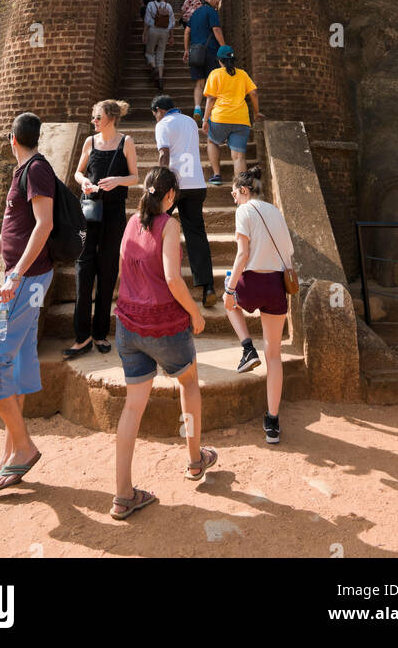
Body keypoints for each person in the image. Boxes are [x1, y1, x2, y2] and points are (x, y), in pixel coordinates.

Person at [111, 166, 216, 517]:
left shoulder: (131, 222)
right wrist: (196, 314)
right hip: (164, 326)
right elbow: (172, 278)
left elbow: (124, 267)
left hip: (128, 325)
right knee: (189, 385)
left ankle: (123, 494)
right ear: (170, 196)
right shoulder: (169, 225)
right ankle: (194, 459)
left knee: (132, 407)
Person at [0, 113, 55, 490]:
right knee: (14, 361)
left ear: (13, 140)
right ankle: (8, 456)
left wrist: (15, 274)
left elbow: (44, 224)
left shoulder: (35, 171)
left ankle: (24, 447)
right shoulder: (26, 171)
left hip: (26, 282)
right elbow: (13, 230)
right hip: (21, 279)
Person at [223, 166, 295, 445]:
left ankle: (246, 348)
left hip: (251, 282)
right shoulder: (275, 211)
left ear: (244, 190)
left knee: (227, 302)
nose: (232, 197)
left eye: (233, 192)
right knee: (274, 355)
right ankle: (273, 422)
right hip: (277, 285)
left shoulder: (244, 211)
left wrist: (231, 289)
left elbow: (243, 254)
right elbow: (288, 255)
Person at [64, 100, 138, 359]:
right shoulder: (89, 142)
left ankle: (100, 333)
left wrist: (117, 181)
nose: (93, 121)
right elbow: (77, 172)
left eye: (97, 117)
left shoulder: (125, 142)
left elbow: (135, 176)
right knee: (83, 270)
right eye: (93, 117)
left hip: (114, 214)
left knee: (107, 272)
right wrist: (84, 181)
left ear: (111, 118)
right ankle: (81, 337)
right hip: (89, 212)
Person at [153, 95, 216, 308]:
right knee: (196, 234)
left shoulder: (163, 124)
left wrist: (159, 183)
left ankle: (155, 278)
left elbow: (164, 154)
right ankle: (208, 286)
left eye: (155, 114)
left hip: (173, 185)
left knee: (157, 229)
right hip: (196, 183)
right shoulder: (190, 121)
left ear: (159, 110)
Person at [202, 44, 263, 184]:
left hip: (220, 117)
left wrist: (205, 120)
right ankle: (240, 187)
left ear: (219, 60)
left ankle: (217, 175)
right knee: (239, 157)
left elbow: (210, 98)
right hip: (241, 119)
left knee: (212, 141)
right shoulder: (243, 74)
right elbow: (254, 93)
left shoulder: (215, 74)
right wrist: (256, 112)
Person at [184, 0, 224, 125]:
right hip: (210, 51)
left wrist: (186, 50)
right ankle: (209, 114)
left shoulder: (194, 14)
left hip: (195, 51)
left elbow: (187, 32)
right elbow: (216, 29)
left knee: (199, 83)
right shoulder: (211, 12)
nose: (218, 1)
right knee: (211, 82)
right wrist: (223, 46)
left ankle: (197, 109)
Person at [143, 0, 175, 89]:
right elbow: (172, 22)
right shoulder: (168, 6)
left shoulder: (151, 5)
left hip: (153, 29)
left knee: (149, 51)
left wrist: (144, 33)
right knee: (161, 54)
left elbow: (147, 20)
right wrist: (171, 36)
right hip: (165, 31)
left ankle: (153, 67)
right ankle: (160, 79)